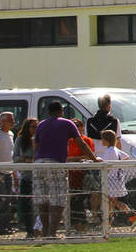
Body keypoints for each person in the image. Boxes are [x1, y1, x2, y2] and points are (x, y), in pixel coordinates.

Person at [34, 100, 99, 237]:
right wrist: (94, 159)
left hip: (39, 163)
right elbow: (81, 144)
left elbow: (36, 146)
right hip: (56, 163)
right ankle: (52, 233)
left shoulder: (41, 125)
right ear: (61, 111)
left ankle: (45, 232)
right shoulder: (67, 123)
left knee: (43, 199)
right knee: (58, 199)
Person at [97, 129, 136, 227]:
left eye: (102, 139)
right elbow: (126, 156)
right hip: (118, 179)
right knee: (112, 201)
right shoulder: (115, 150)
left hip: (112, 179)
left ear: (106, 140)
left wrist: (100, 161)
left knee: (110, 201)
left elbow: (107, 166)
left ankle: (110, 220)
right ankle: (110, 221)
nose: (101, 141)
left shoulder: (110, 151)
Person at [13, 117, 39, 238]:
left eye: (37, 127)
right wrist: (24, 159)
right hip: (26, 177)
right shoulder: (20, 139)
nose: (35, 129)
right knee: (27, 204)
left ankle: (38, 229)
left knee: (39, 204)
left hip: (39, 177)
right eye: (33, 127)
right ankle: (29, 230)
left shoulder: (40, 139)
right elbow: (15, 158)